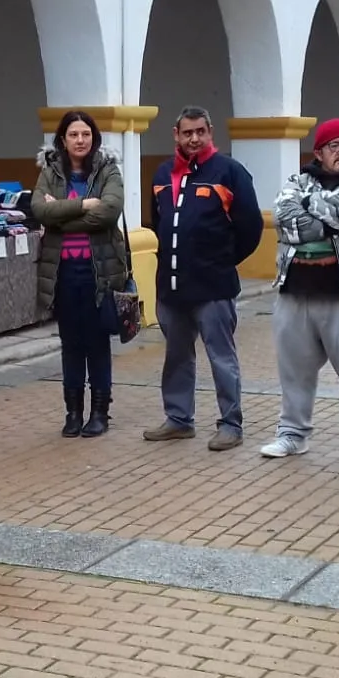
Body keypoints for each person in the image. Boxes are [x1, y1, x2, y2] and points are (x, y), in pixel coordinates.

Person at [260, 119, 339, 466]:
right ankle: (292, 434)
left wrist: (314, 211)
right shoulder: (296, 181)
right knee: (294, 369)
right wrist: (332, 221)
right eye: (334, 146)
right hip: (295, 292)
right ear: (319, 152)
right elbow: (284, 216)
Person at [143, 106, 262, 451]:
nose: (193, 138)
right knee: (177, 356)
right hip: (172, 288)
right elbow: (159, 223)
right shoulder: (163, 174)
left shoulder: (230, 172)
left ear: (211, 132)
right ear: (176, 135)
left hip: (213, 287)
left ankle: (230, 424)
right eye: (187, 132)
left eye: (200, 131)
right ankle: (179, 420)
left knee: (221, 356)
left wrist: (222, 261)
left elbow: (251, 229)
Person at [32, 111, 127, 438]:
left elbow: (110, 211)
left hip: (98, 274)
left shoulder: (108, 170)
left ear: (94, 137)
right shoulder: (50, 172)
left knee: (97, 343)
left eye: (86, 134)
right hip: (61, 274)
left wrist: (61, 214)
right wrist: (85, 205)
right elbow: (39, 210)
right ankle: (73, 412)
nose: (80, 140)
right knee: (70, 344)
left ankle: (100, 412)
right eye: (73, 134)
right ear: (62, 140)